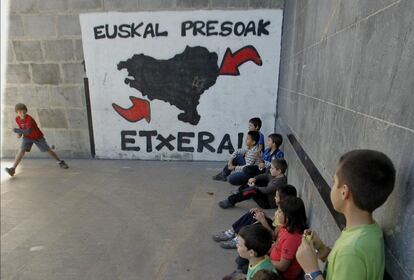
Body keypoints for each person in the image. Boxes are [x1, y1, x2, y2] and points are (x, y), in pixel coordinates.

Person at [296, 150, 396, 280]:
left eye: (334, 182)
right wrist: (323, 251)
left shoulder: (350, 252)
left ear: (344, 192)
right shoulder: (369, 230)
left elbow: (349, 259)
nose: (332, 187)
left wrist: (311, 271)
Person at [213, 184, 297, 249]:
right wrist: (263, 213)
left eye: (276, 196)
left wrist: (263, 221)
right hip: (270, 227)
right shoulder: (280, 208)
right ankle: (231, 232)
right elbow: (273, 221)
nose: (274, 198)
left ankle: (239, 239)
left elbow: (274, 236)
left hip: (270, 236)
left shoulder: (284, 217)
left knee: (256, 222)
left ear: (283, 199)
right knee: (252, 213)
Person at [4, 103, 69, 176]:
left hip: (37, 137)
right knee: (21, 151)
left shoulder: (29, 119)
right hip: (27, 137)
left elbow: (28, 131)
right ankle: (13, 169)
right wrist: (19, 134)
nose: (22, 114)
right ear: (17, 113)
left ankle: (60, 162)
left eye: (24, 111)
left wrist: (16, 130)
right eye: (20, 112)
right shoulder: (17, 119)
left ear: (26, 111)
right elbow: (22, 128)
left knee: (48, 150)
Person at [218, 159, 287, 209]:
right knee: (257, 181)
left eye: (272, 168)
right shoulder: (275, 175)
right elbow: (266, 175)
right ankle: (240, 191)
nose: (270, 169)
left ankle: (230, 201)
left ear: (279, 171)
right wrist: (255, 178)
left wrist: (255, 186)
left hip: (268, 203)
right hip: (266, 194)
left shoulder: (278, 182)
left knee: (252, 190)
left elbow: (266, 190)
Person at [269, 197, 307, 280]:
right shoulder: (285, 228)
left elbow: (283, 266)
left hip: (282, 275)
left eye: (279, 212)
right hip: (273, 263)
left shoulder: (292, 239)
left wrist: (267, 261)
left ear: (288, 217)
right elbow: (277, 244)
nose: (276, 214)